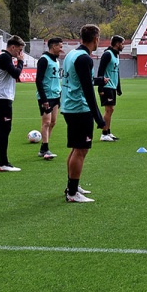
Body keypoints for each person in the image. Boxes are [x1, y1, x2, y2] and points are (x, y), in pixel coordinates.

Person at [61, 24, 107, 203]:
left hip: (70, 106)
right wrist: (99, 117)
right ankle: (72, 193)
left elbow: (79, 81)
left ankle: (72, 185)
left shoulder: (71, 54)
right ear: (96, 38)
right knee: (81, 150)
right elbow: (88, 90)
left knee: (76, 148)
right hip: (80, 108)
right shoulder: (84, 59)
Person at [0, 35, 26, 172]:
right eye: (19, 50)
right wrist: (20, 62)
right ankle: (4, 163)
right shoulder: (5, 57)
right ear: (12, 47)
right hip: (2, 97)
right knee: (4, 129)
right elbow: (16, 74)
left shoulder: (2, 57)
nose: (19, 54)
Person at [34, 37, 62, 160]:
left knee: (53, 122)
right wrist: (44, 99)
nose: (61, 49)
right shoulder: (44, 60)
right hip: (46, 96)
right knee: (46, 122)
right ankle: (45, 149)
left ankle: (43, 148)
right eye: (60, 47)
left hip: (55, 95)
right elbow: (38, 80)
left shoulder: (56, 61)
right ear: (53, 46)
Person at [97, 35, 124, 141]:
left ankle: (108, 131)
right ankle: (104, 133)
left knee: (111, 110)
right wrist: (100, 88)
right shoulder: (107, 54)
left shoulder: (116, 55)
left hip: (112, 86)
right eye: (122, 43)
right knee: (108, 110)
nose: (123, 45)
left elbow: (116, 72)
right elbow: (101, 71)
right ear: (117, 44)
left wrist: (118, 87)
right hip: (106, 86)